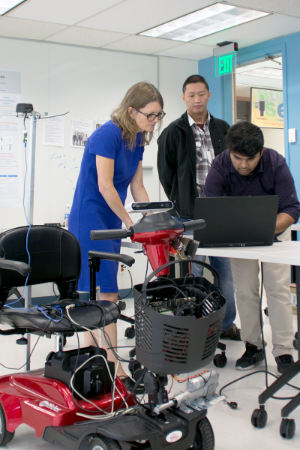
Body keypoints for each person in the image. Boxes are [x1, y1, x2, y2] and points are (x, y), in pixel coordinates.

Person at [69, 81, 165, 390]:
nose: (155, 121)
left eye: (159, 115)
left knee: (103, 292)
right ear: (131, 110)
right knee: (103, 293)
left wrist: (153, 216)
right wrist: (128, 220)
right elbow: (105, 185)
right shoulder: (106, 135)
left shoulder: (138, 140)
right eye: (150, 115)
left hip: (112, 216)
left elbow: (136, 187)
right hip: (90, 218)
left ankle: (97, 357)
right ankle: (110, 364)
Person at [203, 121, 300, 374]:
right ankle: (253, 346)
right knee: (245, 290)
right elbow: (210, 208)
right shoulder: (221, 164)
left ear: (261, 152)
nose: (243, 165)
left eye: (250, 159)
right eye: (238, 158)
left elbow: (292, 210)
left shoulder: (276, 163)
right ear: (230, 152)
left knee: (277, 289)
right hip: (239, 235)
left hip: (275, 231)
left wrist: (265, 229)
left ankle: (283, 351)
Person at [157, 74, 240, 340]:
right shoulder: (173, 132)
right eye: (191, 95)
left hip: (221, 215)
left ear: (209, 95)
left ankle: (226, 325)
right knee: (195, 272)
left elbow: (235, 168)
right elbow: (166, 174)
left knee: (224, 273)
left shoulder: (224, 128)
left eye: (201, 94)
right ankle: (198, 326)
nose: (196, 99)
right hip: (188, 217)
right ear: (183, 98)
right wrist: (180, 201)